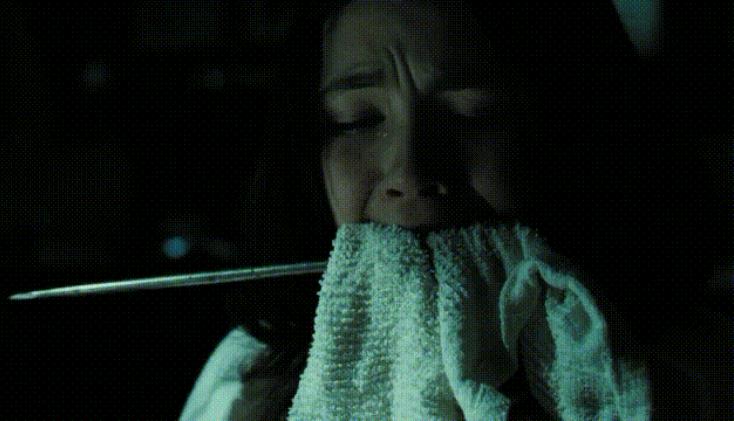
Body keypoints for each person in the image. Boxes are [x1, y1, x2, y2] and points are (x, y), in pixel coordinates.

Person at [181, 1, 723, 420]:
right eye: (357, 120)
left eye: (473, 114)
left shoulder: (695, 374)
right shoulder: (247, 376)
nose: (411, 173)